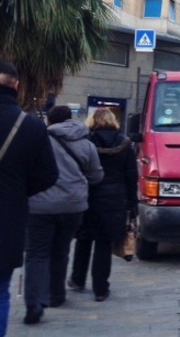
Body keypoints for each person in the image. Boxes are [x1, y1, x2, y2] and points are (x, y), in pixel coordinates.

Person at [23, 105, 102, 325]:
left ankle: (34, 303)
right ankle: (56, 295)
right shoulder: (86, 143)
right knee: (61, 251)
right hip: (73, 206)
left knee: (36, 253)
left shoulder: (38, 141)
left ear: (50, 121)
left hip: (39, 205)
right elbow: (96, 176)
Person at [0, 61, 58, 336]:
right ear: (17, 86)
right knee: (0, 291)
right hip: (8, 218)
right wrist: (18, 190)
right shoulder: (31, 126)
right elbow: (48, 174)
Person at [69, 108, 137, 302]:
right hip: (115, 200)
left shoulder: (86, 143)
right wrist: (132, 203)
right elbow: (131, 176)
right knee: (104, 244)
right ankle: (100, 289)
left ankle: (77, 279)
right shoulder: (125, 144)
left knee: (83, 240)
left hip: (89, 198)